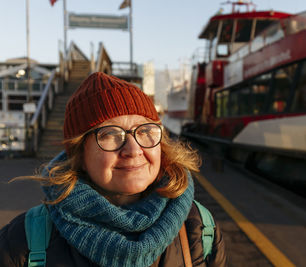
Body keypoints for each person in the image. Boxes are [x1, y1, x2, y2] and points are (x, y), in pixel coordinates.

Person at [0, 72, 227, 266]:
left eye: (146, 130)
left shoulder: (199, 228)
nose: (134, 149)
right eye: (110, 134)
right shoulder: (22, 242)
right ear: (79, 155)